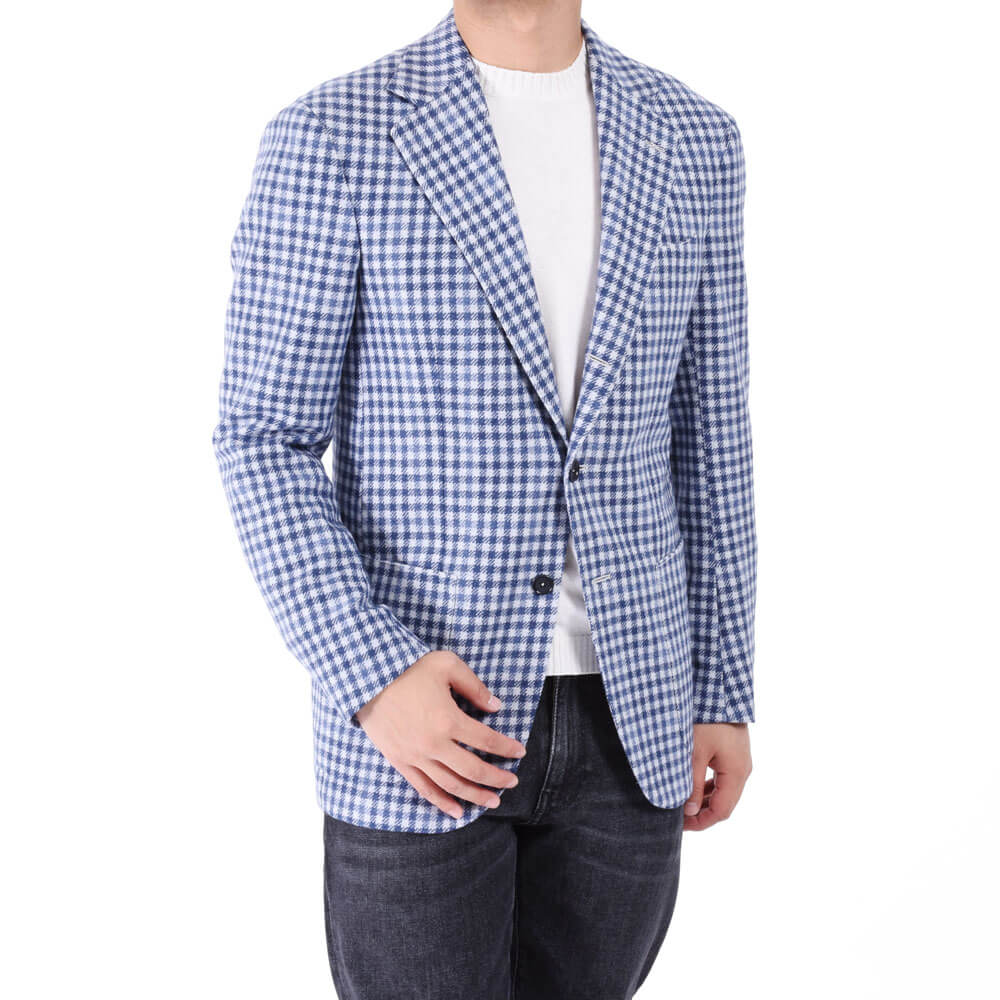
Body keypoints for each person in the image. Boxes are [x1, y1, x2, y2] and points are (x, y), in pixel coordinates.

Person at [213, 2, 756, 996]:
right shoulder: (334, 133)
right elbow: (264, 439)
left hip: (633, 719)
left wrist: (720, 688)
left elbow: (710, 438)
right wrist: (373, 673)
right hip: (421, 722)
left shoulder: (694, 138)